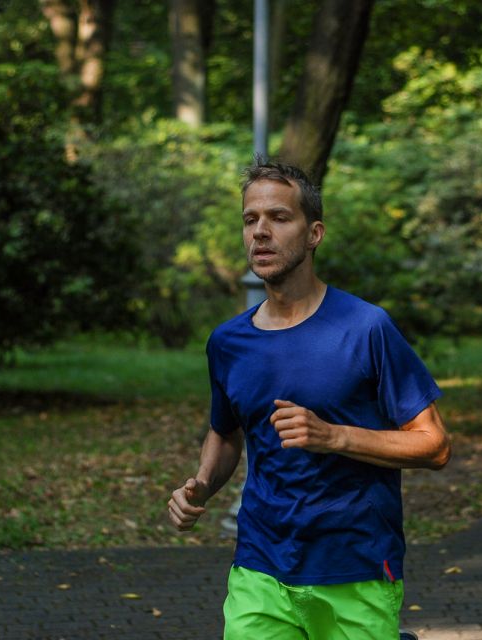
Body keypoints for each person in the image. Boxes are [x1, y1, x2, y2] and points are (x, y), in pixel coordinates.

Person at [167, 159, 451, 639]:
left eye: (279, 218)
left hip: (354, 566)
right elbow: (226, 431)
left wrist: (334, 435)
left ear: (314, 233)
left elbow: (434, 445)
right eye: (250, 219)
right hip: (260, 563)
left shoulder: (365, 328)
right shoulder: (228, 342)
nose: (260, 232)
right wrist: (201, 484)